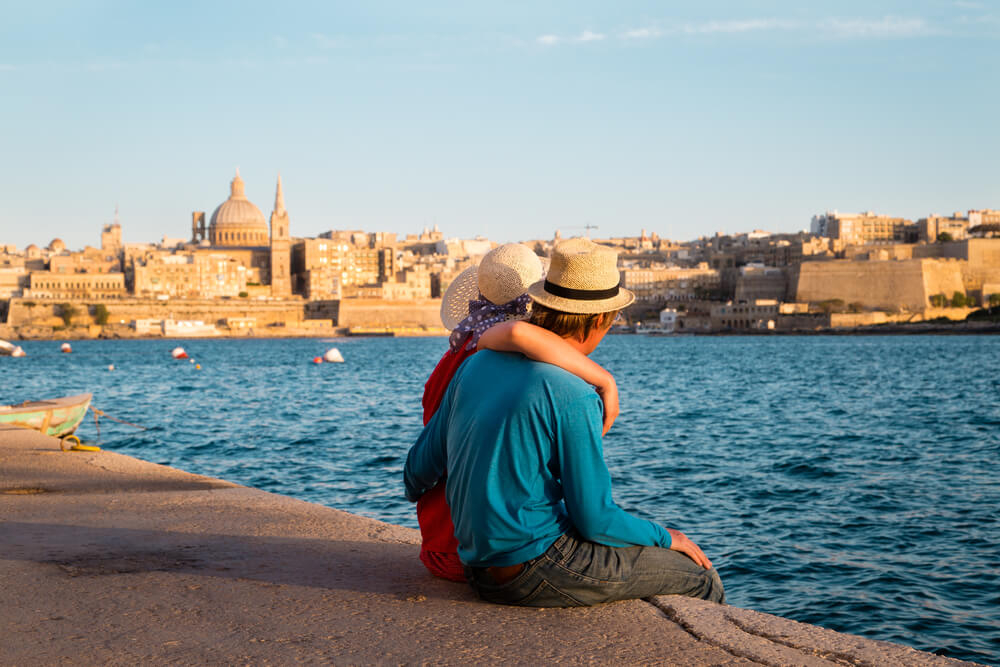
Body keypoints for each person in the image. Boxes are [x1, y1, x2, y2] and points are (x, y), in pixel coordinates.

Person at [405, 238, 724, 607]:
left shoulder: (473, 364)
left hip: (473, 567)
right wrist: (669, 537)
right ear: (603, 319)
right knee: (701, 577)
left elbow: (415, 473)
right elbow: (595, 520)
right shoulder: (574, 393)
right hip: (533, 569)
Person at [418, 243, 621, 582]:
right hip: (473, 552)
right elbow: (516, 333)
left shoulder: (454, 357)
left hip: (437, 542)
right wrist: (603, 379)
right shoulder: (503, 366)